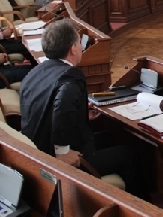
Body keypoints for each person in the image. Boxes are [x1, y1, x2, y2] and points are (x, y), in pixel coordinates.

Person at [19, 19, 149, 200]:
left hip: (37, 149)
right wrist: (62, 151)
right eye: (80, 43)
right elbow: (62, 108)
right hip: (56, 157)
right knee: (129, 154)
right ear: (73, 49)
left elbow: (48, 107)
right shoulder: (70, 75)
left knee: (110, 136)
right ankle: (141, 206)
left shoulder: (36, 71)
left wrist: (80, 112)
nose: (81, 47)